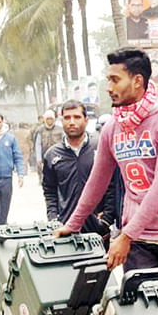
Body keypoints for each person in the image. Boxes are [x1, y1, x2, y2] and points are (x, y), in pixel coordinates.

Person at [55, 48, 158, 271]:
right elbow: (97, 182)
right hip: (138, 240)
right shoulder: (112, 128)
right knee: (138, 305)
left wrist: (125, 236)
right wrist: (73, 224)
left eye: (115, 80)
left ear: (137, 81)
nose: (109, 88)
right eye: (108, 80)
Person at [42, 100, 115, 243]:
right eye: (67, 118)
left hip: (97, 230)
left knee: (99, 266)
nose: (71, 122)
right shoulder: (52, 155)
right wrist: (53, 218)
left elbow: (113, 185)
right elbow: (49, 190)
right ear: (61, 121)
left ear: (86, 120)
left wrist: (107, 218)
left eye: (77, 117)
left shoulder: (101, 148)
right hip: (65, 229)